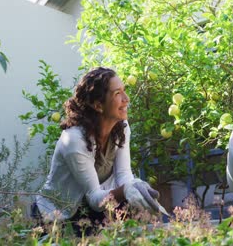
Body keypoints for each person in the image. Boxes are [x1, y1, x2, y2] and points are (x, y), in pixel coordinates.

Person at [32, 67, 162, 234]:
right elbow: (94, 197)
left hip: (90, 212)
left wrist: (134, 187)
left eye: (124, 91)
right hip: (54, 215)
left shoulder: (121, 128)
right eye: (117, 93)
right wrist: (126, 190)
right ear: (98, 105)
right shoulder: (74, 140)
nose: (126, 99)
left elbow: (123, 174)